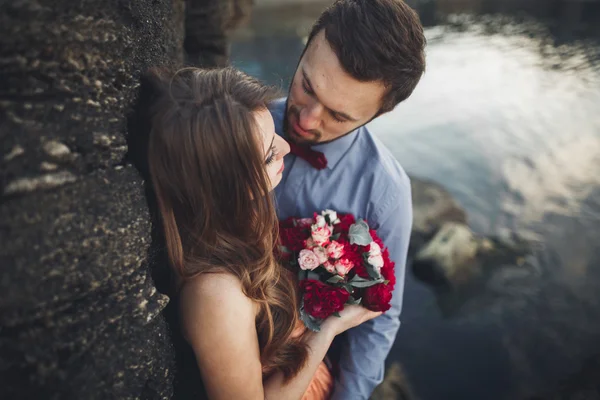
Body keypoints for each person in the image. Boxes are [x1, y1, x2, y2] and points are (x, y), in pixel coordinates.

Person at [146, 66, 381, 399]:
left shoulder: (243, 218)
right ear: (227, 189)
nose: (286, 147)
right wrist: (329, 328)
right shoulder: (217, 296)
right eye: (270, 153)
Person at [270, 1, 427, 398]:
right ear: (305, 49)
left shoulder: (386, 193)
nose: (306, 120)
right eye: (307, 85)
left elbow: (379, 318)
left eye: (337, 116)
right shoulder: (239, 120)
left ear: (377, 114)